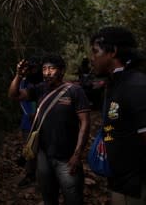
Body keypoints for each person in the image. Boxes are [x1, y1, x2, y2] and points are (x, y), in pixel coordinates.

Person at [90, 26, 146, 205]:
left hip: (140, 191)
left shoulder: (136, 87)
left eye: (95, 51)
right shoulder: (116, 84)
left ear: (113, 51)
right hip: (122, 187)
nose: (92, 58)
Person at [8, 53, 90, 205]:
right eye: (44, 69)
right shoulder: (40, 89)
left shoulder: (74, 91)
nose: (47, 73)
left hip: (67, 158)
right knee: (48, 198)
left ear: (62, 70)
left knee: (73, 199)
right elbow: (14, 95)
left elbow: (85, 123)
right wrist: (19, 76)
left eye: (51, 69)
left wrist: (77, 154)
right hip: (44, 156)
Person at [17, 56, 43, 188]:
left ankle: (42, 177)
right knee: (29, 149)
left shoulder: (44, 82)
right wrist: (30, 113)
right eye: (31, 68)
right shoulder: (24, 82)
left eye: (35, 68)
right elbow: (20, 99)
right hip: (29, 122)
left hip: (43, 122)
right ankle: (29, 175)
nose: (33, 71)